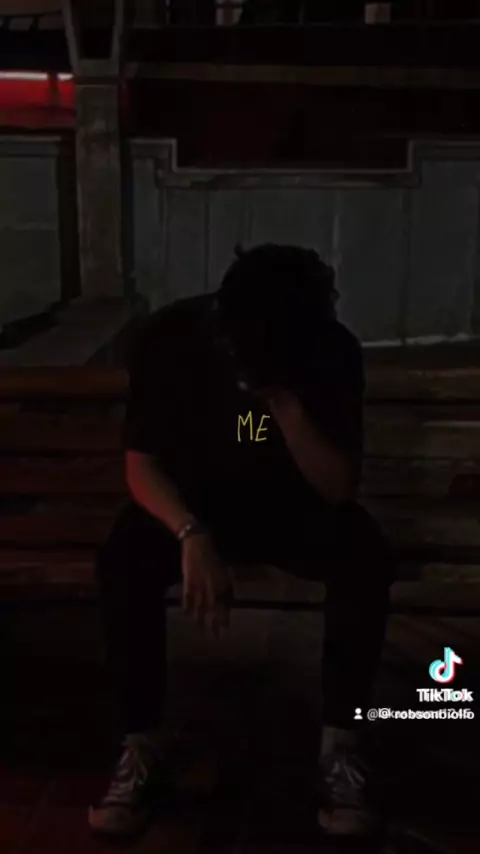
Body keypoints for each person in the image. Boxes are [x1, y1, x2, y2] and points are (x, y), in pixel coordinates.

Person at [89, 244, 395, 839]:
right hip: (191, 505)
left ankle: (340, 747)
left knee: (364, 556)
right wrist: (190, 532)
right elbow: (141, 466)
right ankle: (139, 743)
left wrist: (283, 402)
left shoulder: (328, 349)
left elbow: (337, 489)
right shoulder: (172, 339)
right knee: (123, 559)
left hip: (288, 505)